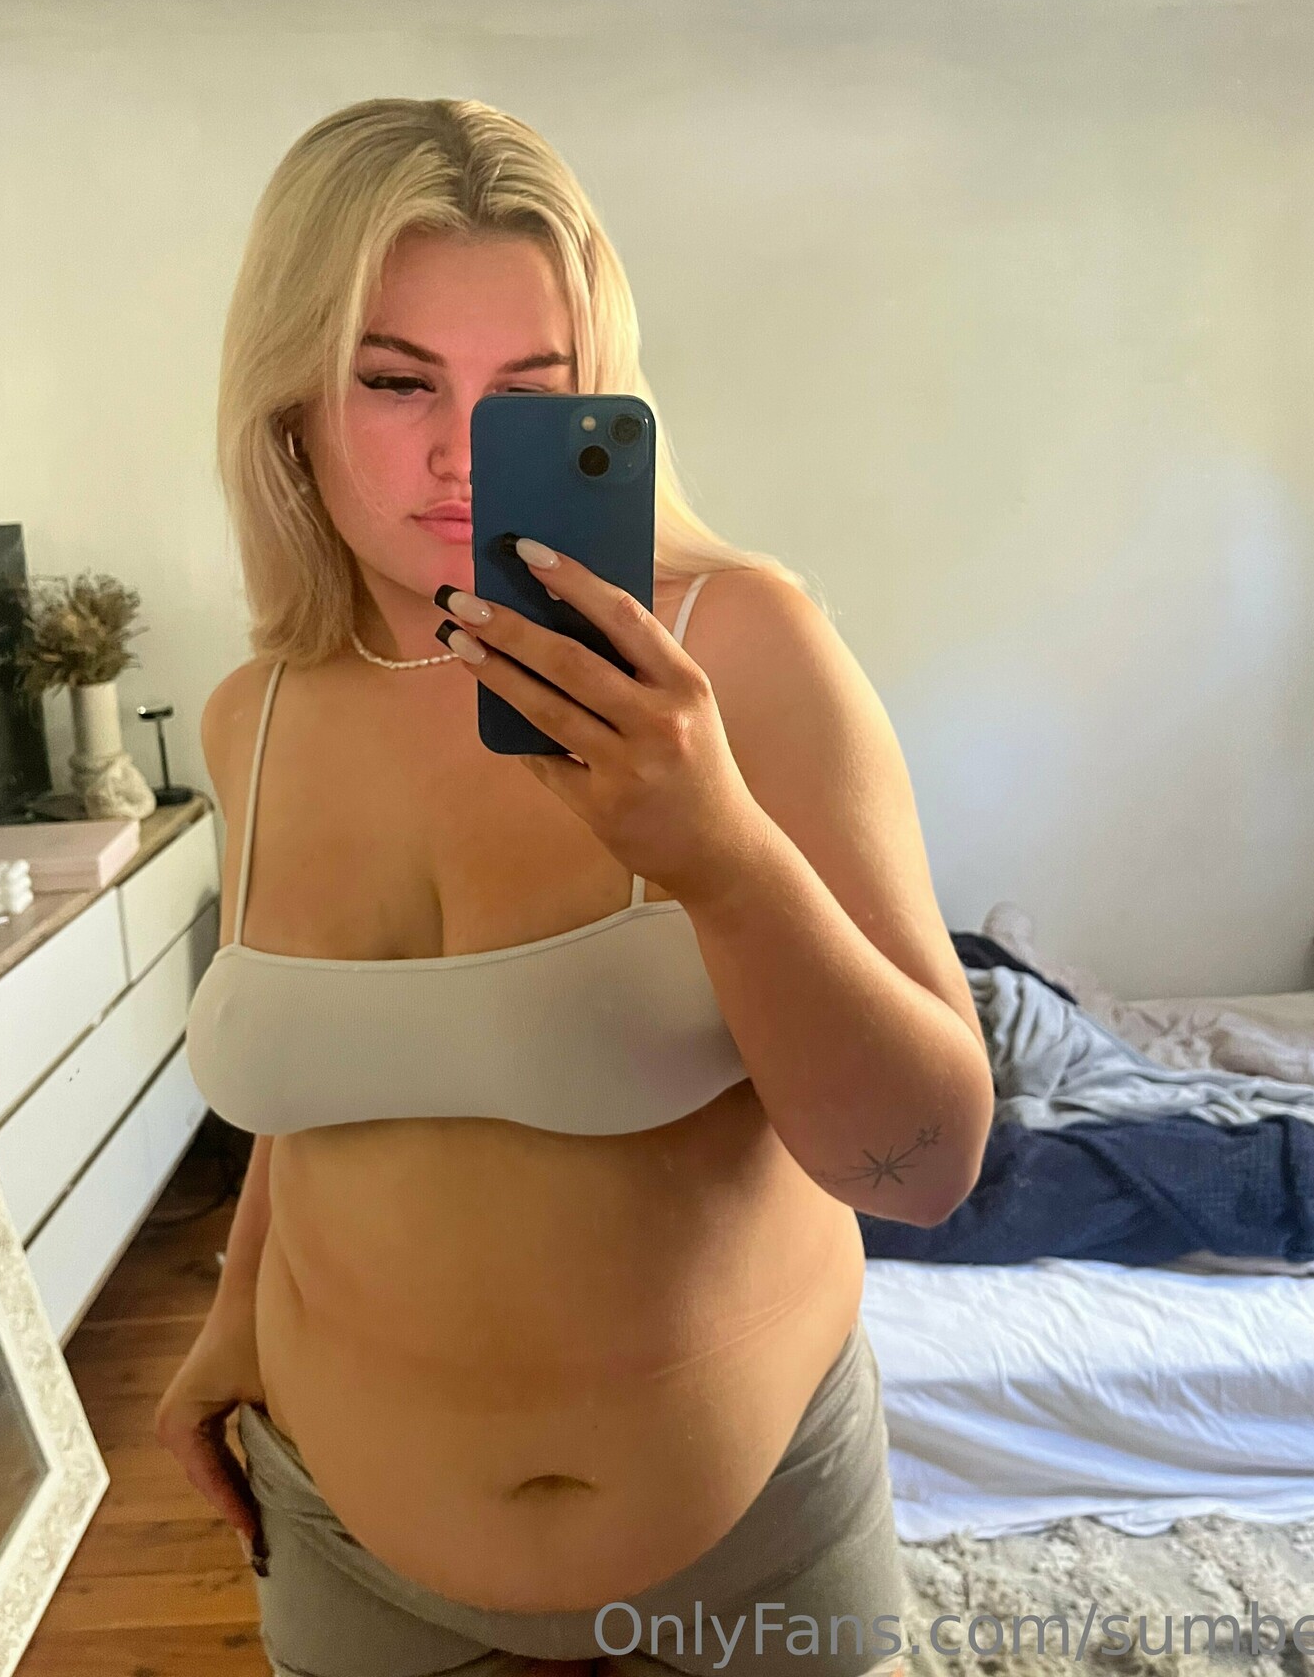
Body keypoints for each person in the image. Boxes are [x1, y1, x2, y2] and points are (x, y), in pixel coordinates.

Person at [155, 97, 993, 1677]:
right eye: (395, 380)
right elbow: (318, 1100)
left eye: (527, 397)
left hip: (750, 1560)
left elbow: (929, 1164)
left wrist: (720, 852)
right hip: (340, 1546)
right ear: (289, 393)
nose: (461, 452)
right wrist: (230, 1321)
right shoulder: (248, 718)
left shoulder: (740, 649)